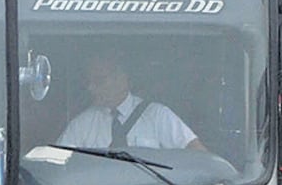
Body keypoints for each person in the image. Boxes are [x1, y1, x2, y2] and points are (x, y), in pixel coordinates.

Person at [57, 53, 206, 150]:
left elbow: (198, 155)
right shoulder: (81, 125)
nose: (91, 88)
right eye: (89, 81)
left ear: (122, 79)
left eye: (99, 81)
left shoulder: (158, 116)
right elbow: (57, 163)